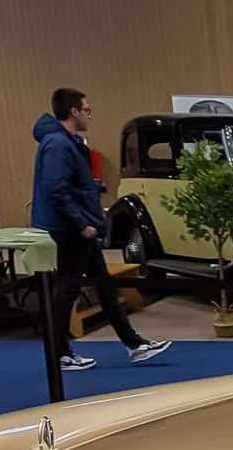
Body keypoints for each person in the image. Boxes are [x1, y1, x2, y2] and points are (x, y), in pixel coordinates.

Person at [31, 88, 168, 370]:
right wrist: (81, 223)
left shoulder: (68, 142)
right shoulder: (58, 144)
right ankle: (59, 353)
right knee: (67, 289)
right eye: (87, 110)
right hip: (72, 228)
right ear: (74, 111)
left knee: (104, 286)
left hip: (80, 224)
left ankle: (134, 344)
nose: (89, 116)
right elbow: (55, 189)